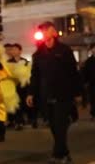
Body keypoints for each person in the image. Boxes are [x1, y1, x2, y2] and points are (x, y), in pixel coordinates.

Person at [27, 22, 83, 164]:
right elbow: (35, 76)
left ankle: (58, 155)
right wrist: (31, 93)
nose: (45, 33)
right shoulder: (38, 54)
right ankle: (64, 154)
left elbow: (73, 73)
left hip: (63, 94)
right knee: (53, 126)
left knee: (60, 125)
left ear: (53, 32)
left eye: (47, 30)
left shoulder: (64, 50)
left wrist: (77, 93)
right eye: (42, 31)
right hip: (46, 95)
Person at [82, 43, 95, 120]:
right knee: (93, 99)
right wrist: (85, 82)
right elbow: (85, 72)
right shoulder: (89, 61)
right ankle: (93, 114)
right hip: (92, 83)